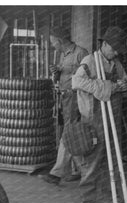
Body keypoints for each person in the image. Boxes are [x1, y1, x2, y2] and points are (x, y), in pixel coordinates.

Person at [72, 26, 127, 203]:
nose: (116, 52)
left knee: (112, 159)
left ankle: (111, 198)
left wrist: (120, 86)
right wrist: (105, 86)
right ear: (104, 44)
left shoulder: (117, 64)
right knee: (93, 160)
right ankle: (87, 201)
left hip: (114, 116)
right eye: (113, 48)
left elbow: (125, 83)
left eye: (118, 50)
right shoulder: (90, 61)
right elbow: (77, 82)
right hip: (94, 118)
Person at [38, 27, 89, 185]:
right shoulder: (63, 55)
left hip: (76, 97)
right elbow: (62, 75)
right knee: (73, 132)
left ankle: (57, 173)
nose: (53, 46)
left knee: (69, 132)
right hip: (65, 96)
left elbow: (88, 76)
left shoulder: (81, 53)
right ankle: (80, 170)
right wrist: (57, 72)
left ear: (60, 41)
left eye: (54, 42)